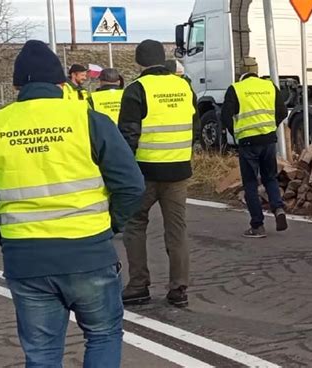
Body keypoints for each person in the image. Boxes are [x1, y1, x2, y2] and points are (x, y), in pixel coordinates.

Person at [0, 40, 145, 367]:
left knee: (41, 353)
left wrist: (7, 235)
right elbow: (130, 184)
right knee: (103, 335)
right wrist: (109, 225)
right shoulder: (88, 120)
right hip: (88, 251)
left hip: (27, 259)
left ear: (17, 86)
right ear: (61, 84)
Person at [118, 39, 199, 307]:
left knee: (135, 225)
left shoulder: (136, 90)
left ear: (138, 62)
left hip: (144, 172)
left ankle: (139, 285)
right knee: (177, 230)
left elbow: (128, 136)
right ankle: (179, 289)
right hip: (178, 172)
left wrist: (123, 174)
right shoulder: (184, 87)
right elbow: (195, 127)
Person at [221, 72, 288, 238]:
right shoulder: (269, 86)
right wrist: (270, 127)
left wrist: (236, 133)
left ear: (242, 78)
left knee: (250, 183)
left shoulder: (236, 89)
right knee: (270, 178)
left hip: (248, 143)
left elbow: (225, 116)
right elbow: (282, 112)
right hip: (268, 140)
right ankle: (278, 208)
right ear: (256, 75)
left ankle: (257, 226)